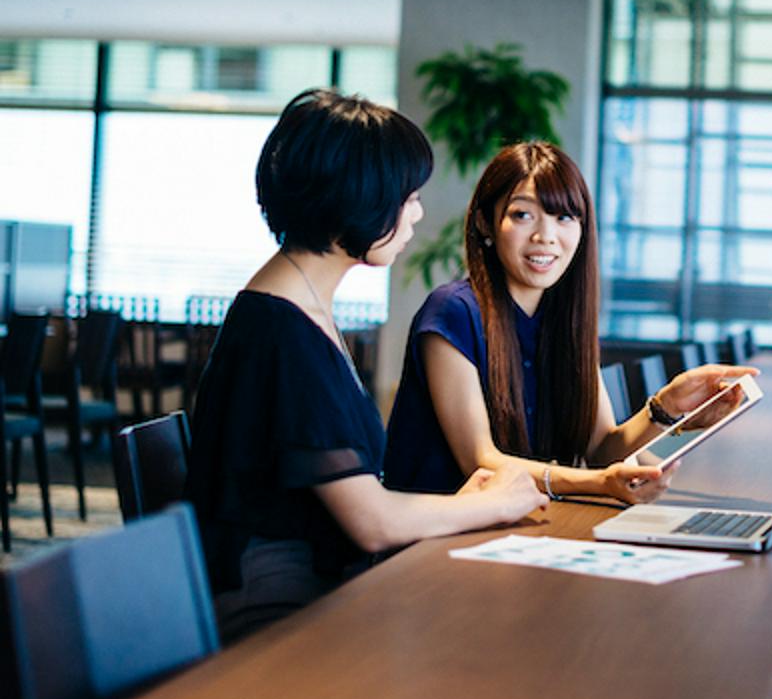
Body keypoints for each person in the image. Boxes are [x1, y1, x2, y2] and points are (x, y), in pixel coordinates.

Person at [185, 90, 547, 642]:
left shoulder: (295, 308)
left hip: (323, 582)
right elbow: (371, 523)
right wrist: (494, 505)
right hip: (282, 610)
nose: (417, 213)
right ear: (361, 198)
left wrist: (466, 505)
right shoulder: (282, 331)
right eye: (409, 197)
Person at [383, 141, 757, 503]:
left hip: (518, 522)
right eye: (522, 215)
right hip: (435, 532)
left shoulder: (563, 320)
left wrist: (666, 407)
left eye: (563, 217)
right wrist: (598, 484)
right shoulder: (452, 311)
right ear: (485, 223)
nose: (545, 236)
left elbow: (601, 450)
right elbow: (481, 461)